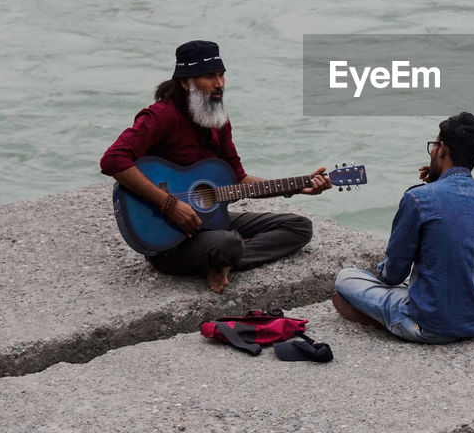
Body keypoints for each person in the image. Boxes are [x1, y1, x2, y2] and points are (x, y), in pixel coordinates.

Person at [100, 40, 330, 292]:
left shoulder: (218, 121)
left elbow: (239, 181)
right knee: (228, 242)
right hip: (169, 238)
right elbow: (113, 160)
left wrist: (298, 186)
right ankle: (222, 255)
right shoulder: (161, 116)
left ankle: (222, 262)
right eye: (209, 76)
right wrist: (169, 204)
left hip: (209, 223)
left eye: (221, 75)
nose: (219, 84)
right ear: (185, 82)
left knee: (299, 227)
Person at [333, 112, 474, 343]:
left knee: (346, 278)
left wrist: (379, 275)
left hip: (431, 324)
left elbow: (393, 274)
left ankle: (393, 319)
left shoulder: (418, 198)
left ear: (441, 149)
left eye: (434, 145)